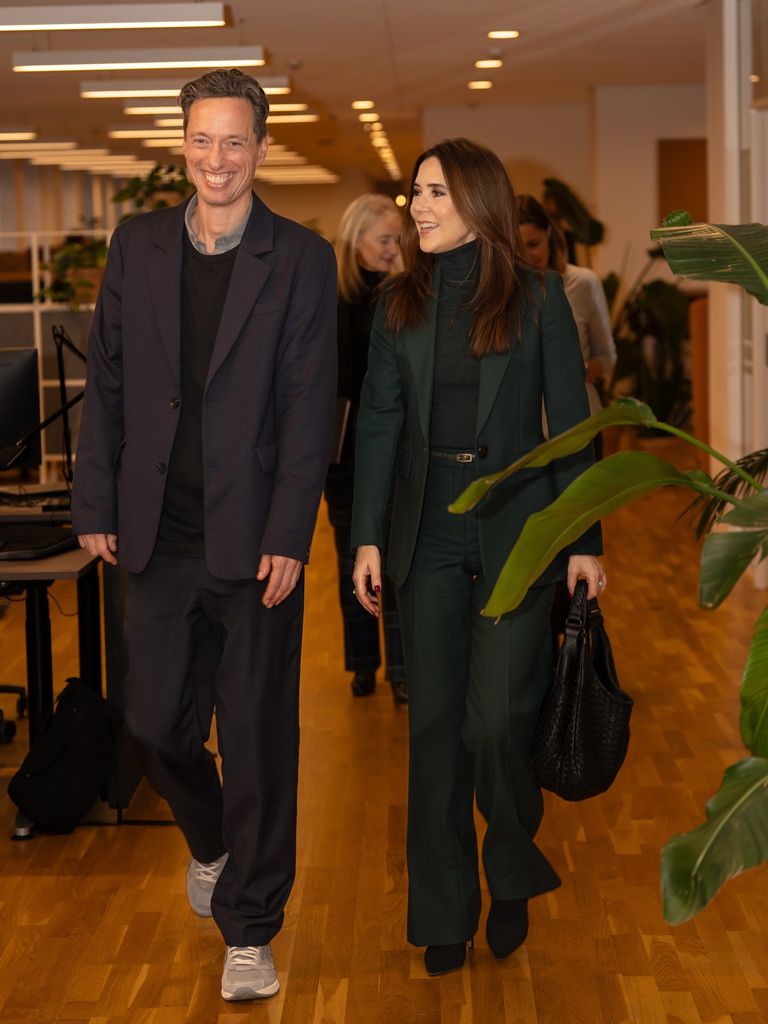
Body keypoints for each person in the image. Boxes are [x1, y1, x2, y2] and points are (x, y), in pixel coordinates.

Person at [71, 69, 336, 1003]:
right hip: (155, 535)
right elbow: (104, 383)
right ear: (181, 146)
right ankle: (215, 843)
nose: (216, 159)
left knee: (259, 738)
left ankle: (251, 931)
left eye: (234, 142)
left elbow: (310, 407)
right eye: (201, 140)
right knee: (151, 724)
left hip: (256, 539)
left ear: (261, 149)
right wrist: (93, 501)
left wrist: (293, 531)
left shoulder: (299, 259)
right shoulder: (138, 245)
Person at [351, 138, 605, 977]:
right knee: (434, 734)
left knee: (496, 720)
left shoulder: (538, 300)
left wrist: (583, 542)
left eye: (432, 193)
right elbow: (380, 428)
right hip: (426, 532)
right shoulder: (398, 304)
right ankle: (444, 911)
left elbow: (571, 428)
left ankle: (511, 869)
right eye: (413, 192)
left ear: (476, 201)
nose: (414, 208)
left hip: (517, 531)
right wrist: (367, 536)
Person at [325, 194, 407, 704]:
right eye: (385, 240)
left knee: (396, 564)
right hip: (343, 454)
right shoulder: (327, 298)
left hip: (395, 450)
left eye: (398, 240)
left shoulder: (402, 294)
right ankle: (362, 665)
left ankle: (400, 670)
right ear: (357, 241)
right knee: (350, 562)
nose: (394, 249)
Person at [515, 193, 617, 456]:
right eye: (518, 247)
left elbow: (606, 357)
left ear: (549, 233)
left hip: (581, 426)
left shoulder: (584, 283)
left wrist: (577, 370)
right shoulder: (503, 292)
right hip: (523, 435)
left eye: (534, 243)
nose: (528, 255)